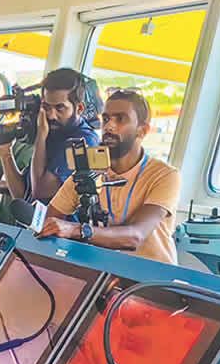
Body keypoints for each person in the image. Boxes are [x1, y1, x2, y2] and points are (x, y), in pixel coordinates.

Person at [36, 90, 181, 263]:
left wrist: (77, 230)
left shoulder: (165, 175)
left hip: (150, 281)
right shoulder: (87, 171)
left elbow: (135, 236)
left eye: (120, 119)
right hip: (103, 275)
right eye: (106, 119)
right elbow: (50, 220)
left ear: (142, 131)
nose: (109, 126)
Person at [0, 67, 100, 224]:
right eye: (46, 107)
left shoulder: (84, 141)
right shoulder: (53, 133)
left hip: (61, 237)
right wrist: (5, 153)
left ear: (79, 108)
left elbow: (40, 191)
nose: (51, 115)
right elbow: (23, 195)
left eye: (60, 108)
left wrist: (41, 136)